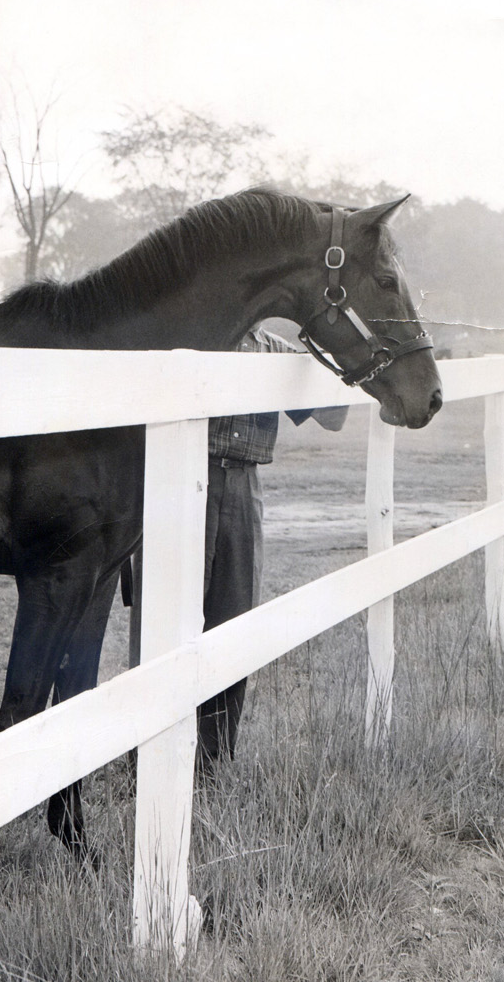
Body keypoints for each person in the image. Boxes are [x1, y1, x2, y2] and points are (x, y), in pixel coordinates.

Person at [198, 326, 348, 772]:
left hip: (245, 486)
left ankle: (214, 759)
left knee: (235, 617)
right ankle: (147, 760)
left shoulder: (278, 351)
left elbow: (335, 415)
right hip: (187, 477)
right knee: (169, 619)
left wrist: (330, 349)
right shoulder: (202, 333)